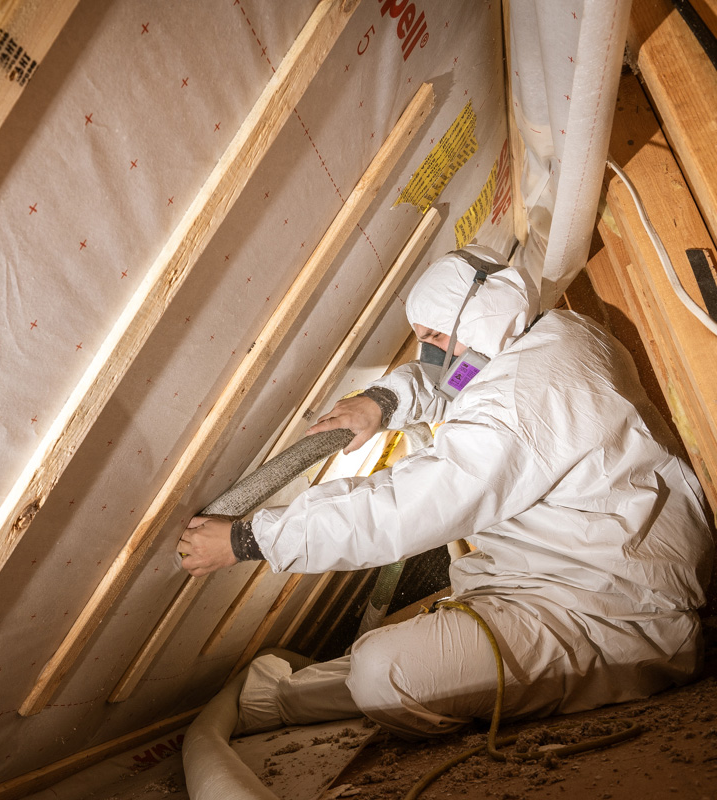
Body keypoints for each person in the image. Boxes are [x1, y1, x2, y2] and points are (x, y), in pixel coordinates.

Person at [178, 245, 713, 739]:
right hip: (578, 575)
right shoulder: (557, 334)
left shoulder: (517, 412)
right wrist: (382, 401)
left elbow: (403, 510)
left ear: (480, 319)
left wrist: (252, 539)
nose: (429, 355)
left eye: (434, 337)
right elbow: (452, 382)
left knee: (381, 674)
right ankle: (275, 699)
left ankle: (281, 702)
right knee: (397, 655)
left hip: (611, 612)